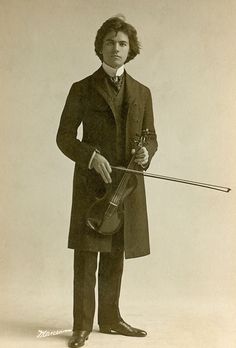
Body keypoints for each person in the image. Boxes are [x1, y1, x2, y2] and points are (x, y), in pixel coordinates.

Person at [56, 15, 158, 348]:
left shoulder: (142, 92)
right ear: (100, 46)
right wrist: (90, 156)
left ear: (131, 50)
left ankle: (111, 320)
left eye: (123, 43)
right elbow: (64, 137)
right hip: (92, 186)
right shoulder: (81, 88)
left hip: (125, 186)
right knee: (87, 255)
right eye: (111, 42)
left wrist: (146, 154)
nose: (116, 48)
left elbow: (152, 138)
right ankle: (81, 326)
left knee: (115, 254)